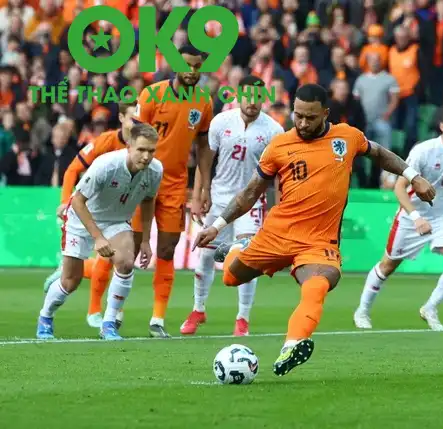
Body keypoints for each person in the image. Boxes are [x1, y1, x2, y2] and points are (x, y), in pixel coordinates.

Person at [192, 83, 435, 376]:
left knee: (319, 283)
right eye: (298, 116)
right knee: (231, 278)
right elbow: (250, 193)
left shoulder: (347, 137)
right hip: (276, 235)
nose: (303, 123)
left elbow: (380, 153)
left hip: (319, 242)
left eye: (310, 117)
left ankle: (291, 346)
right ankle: (237, 248)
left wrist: (413, 176)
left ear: (325, 114)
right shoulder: (279, 145)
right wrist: (218, 226)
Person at [353, 108, 443, 331]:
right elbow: (399, 188)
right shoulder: (423, 151)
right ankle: (362, 310)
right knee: (387, 265)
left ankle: (430, 308)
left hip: (441, 217)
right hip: (411, 217)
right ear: (442, 126)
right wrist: (416, 217)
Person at [36, 123, 163, 340]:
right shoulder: (106, 165)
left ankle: (109, 323)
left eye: (151, 151)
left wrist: (145, 241)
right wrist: (98, 237)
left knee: (125, 263)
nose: (146, 156)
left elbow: (149, 201)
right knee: (70, 282)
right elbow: (78, 201)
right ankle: (45, 316)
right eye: (141, 149)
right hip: (80, 219)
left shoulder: (155, 170)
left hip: (116, 221)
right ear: (129, 146)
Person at [180, 75, 284, 337]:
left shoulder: (274, 131)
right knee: (205, 256)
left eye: (258, 97)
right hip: (219, 198)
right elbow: (205, 161)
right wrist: (199, 195)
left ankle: (242, 318)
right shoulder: (221, 122)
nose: (252, 102)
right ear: (238, 96)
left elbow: (280, 174)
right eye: (247, 96)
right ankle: (198, 309)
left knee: (246, 258)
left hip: (252, 203)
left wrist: (279, 207)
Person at [132, 45, 215, 338]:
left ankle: (157, 319)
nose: (192, 71)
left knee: (167, 249)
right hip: (141, 179)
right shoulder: (151, 95)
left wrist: (203, 189)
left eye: (197, 66)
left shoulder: (203, 102)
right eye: (187, 65)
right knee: (128, 249)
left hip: (174, 184)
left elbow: (203, 147)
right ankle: (110, 315)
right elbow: (133, 139)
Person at [42, 101, 137, 330]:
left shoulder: (144, 148)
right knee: (80, 274)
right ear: (121, 118)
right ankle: (91, 307)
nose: (137, 123)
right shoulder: (105, 141)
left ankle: (102, 313)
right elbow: (72, 169)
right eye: (133, 118)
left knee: (119, 260)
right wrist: (65, 201)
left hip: (118, 209)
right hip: (89, 206)